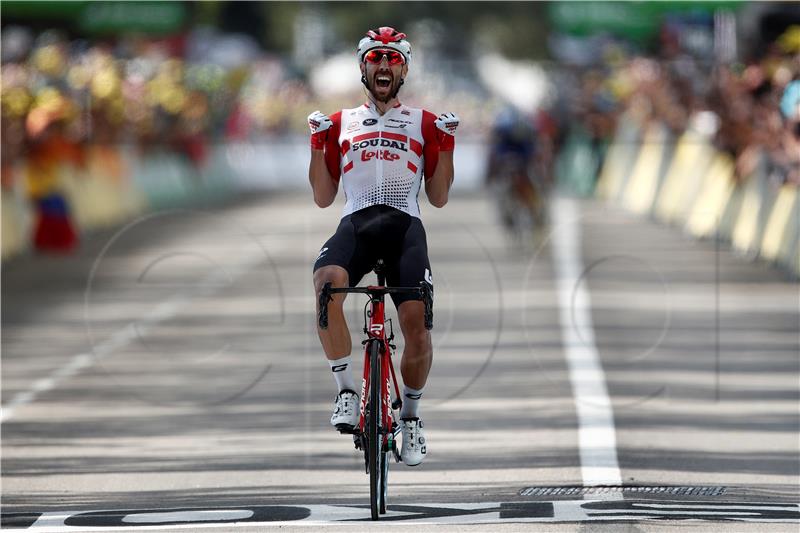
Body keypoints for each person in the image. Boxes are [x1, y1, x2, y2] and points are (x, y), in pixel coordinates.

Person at [307, 27, 459, 467]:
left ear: (404, 69)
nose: (384, 65)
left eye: (392, 59)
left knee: (417, 326)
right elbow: (322, 197)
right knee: (326, 283)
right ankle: (347, 392)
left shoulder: (425, 122)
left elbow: (440, 196)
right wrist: (317, 145)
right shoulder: (339, 123)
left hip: (404, 228)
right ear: (363, 68)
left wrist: (446, 145)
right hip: (355, 223)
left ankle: (410, 416)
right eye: (375, 58)